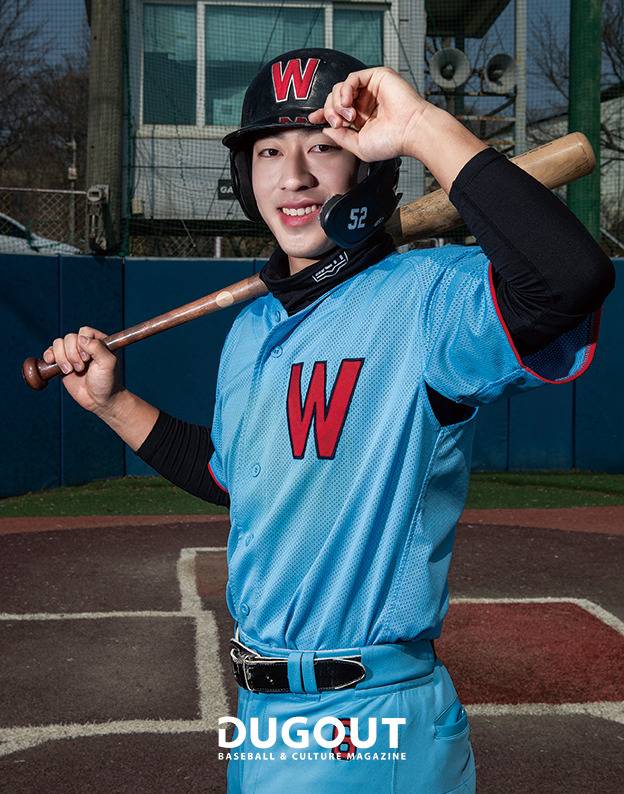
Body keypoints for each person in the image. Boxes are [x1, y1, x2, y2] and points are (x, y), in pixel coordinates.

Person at [43, 48, 614, 793]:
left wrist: (421, 125)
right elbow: (239, 482)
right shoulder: (251, 331)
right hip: (264, 716)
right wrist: (113, 404)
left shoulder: (424, 299)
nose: (294, 177)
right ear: (245, 177)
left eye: (322, 146)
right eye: (268, 151)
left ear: (368, 168)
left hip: (366, 715)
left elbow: (569, 280)